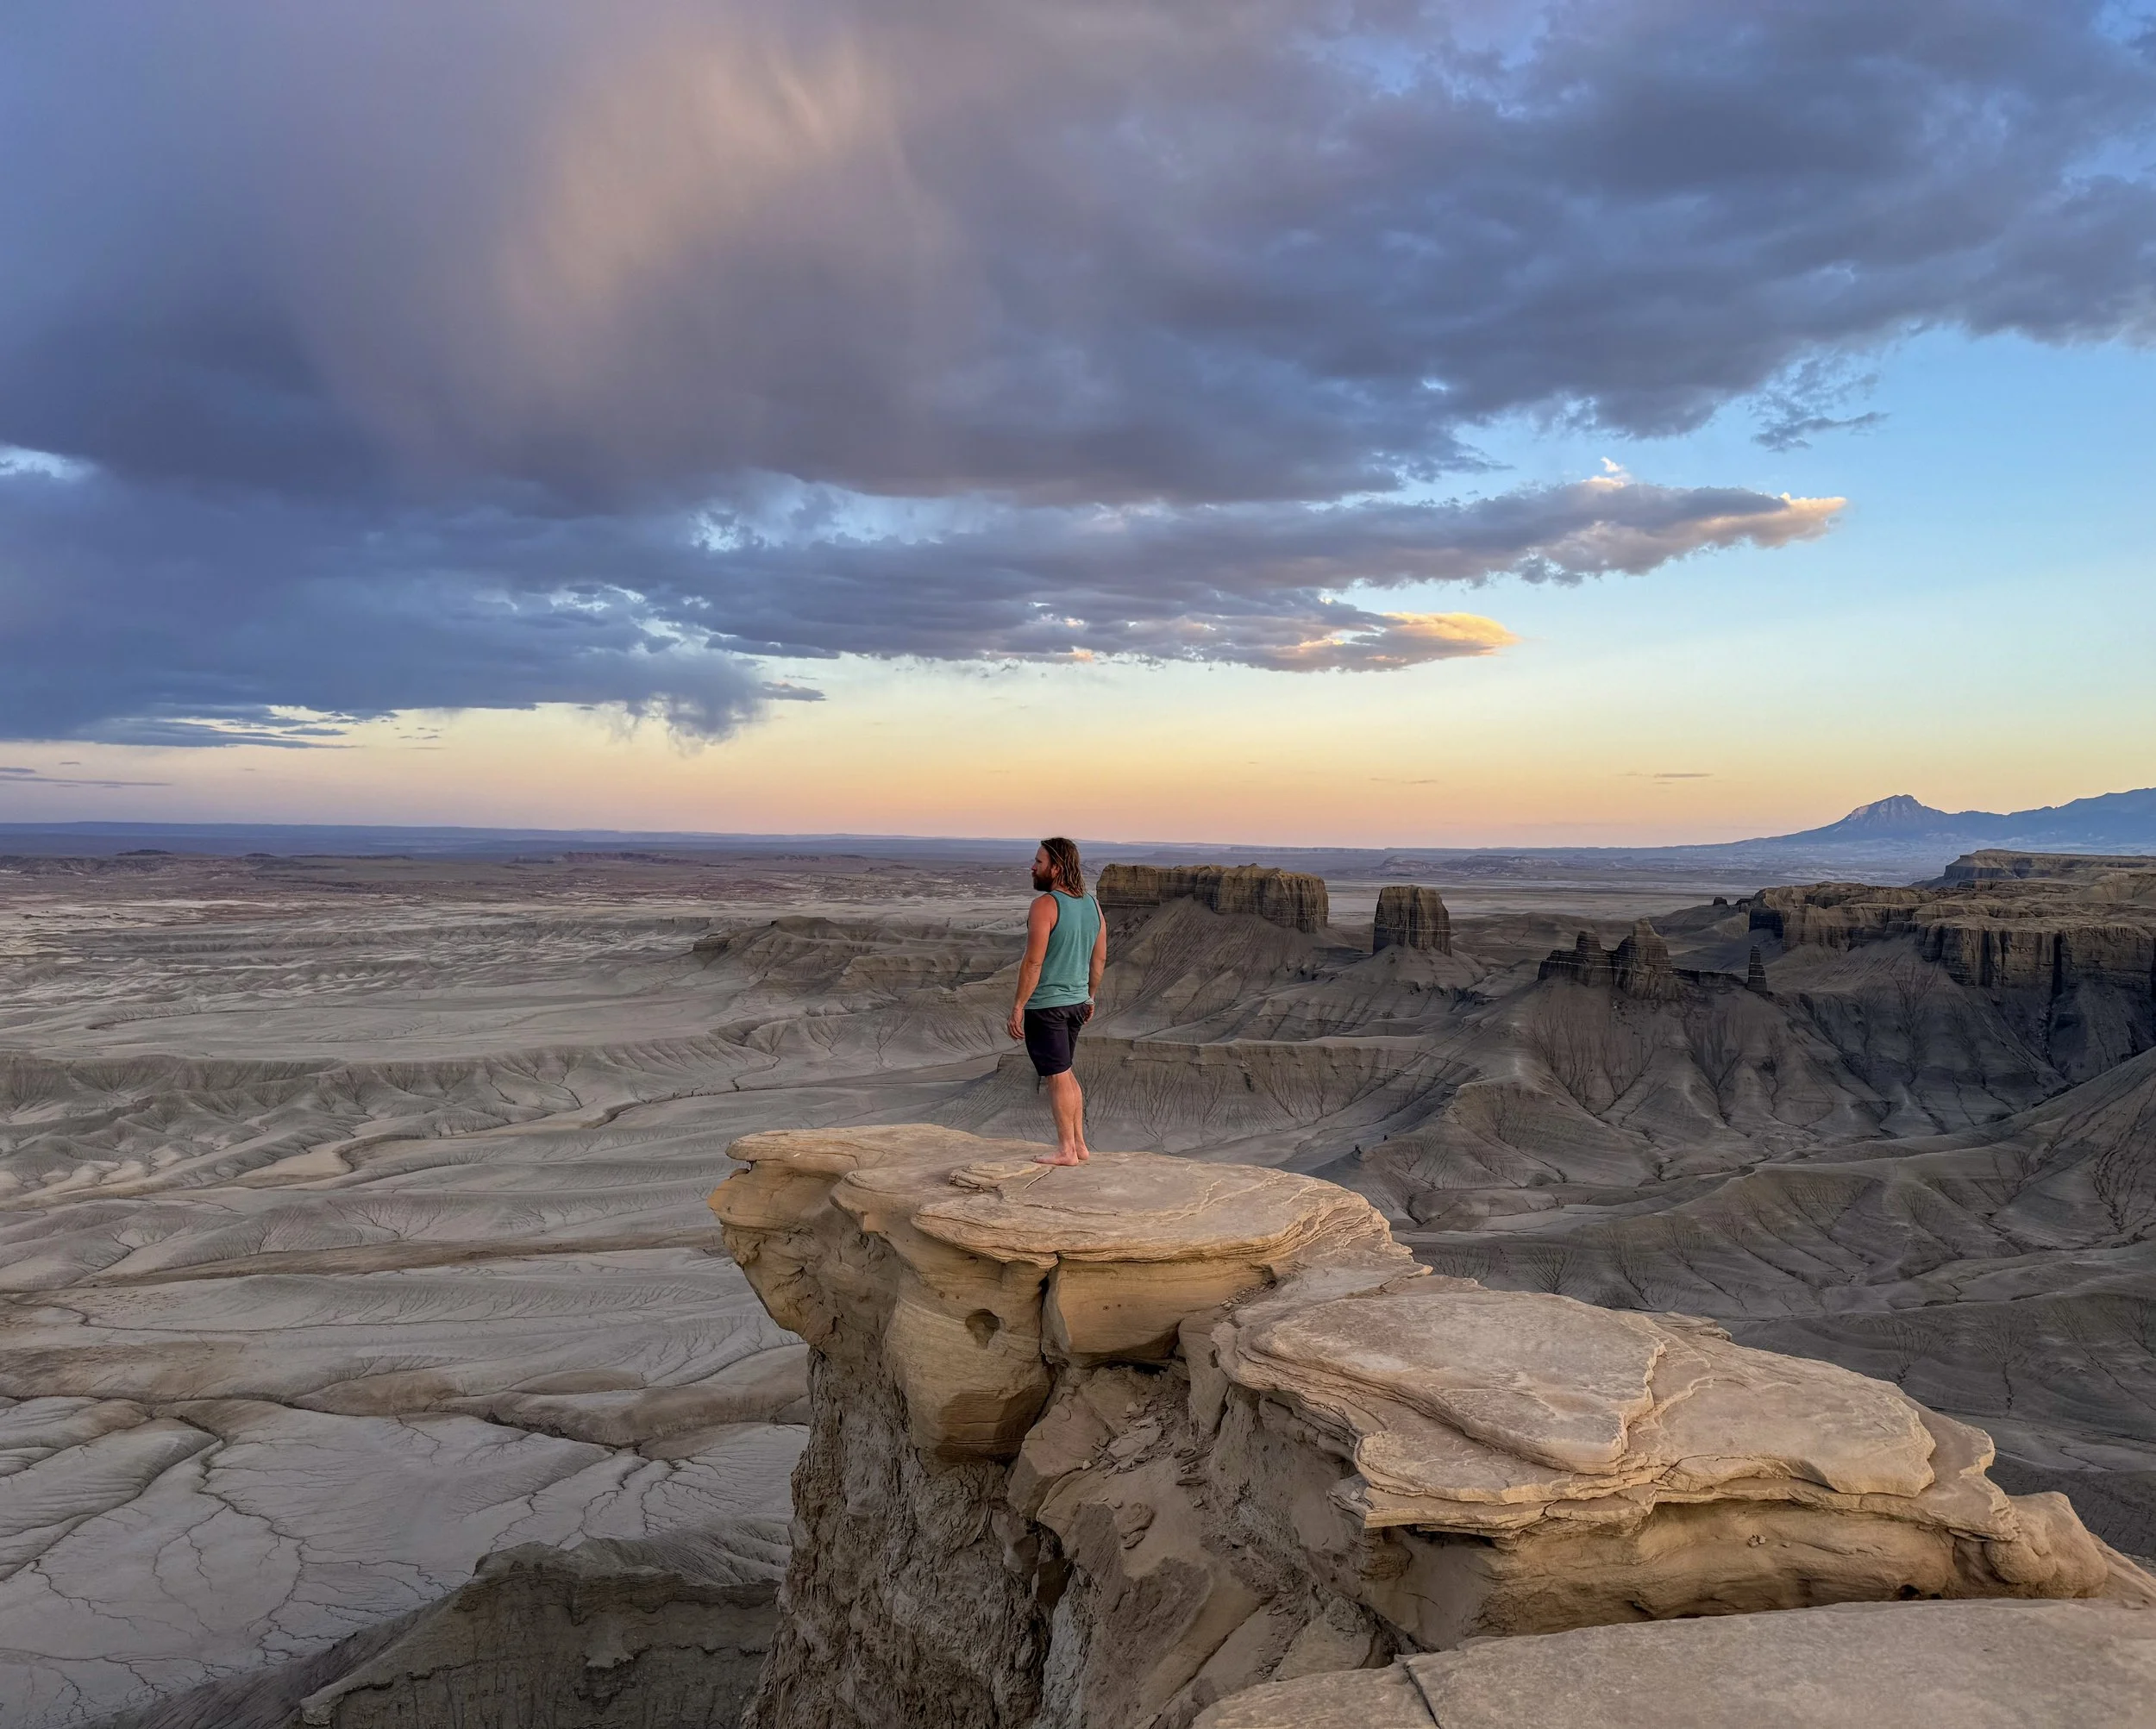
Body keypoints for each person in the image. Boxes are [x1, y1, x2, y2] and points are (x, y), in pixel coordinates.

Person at [1007, 836, 1106, 1166]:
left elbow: (1033, 962)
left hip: (1047, 1005)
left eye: (1038, 862)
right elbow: (1100, 959)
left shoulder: (1046, 905)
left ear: (1057, 868)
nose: (1032, 867)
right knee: (1066, 1072)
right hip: (1078, 1002)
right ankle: (1079, 1145)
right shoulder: (1092, 905)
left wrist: (1019, 1005)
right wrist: (1090, 996)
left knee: (1057, 1076)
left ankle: (1066, 1150)